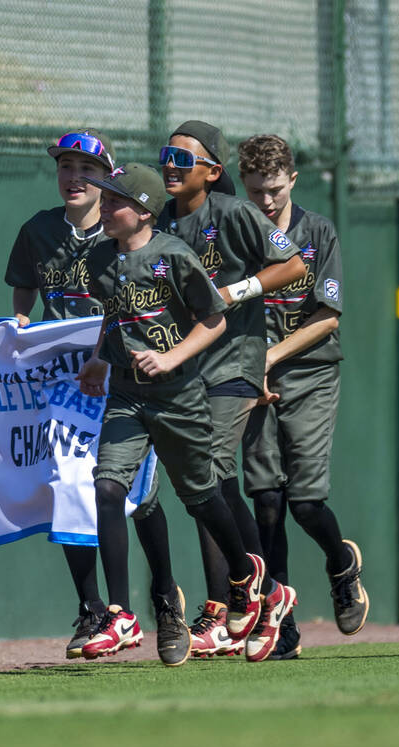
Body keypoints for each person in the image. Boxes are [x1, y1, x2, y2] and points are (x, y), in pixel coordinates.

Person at [76, 163, 271, 667]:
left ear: (142, 211)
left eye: (114, 200)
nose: (104, 207)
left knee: (201, 497)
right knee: (107, 486)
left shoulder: (173, 255)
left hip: (178, 397)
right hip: (125, 394)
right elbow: (113, 316)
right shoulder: (99, 258)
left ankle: (244, 574)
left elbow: (214, 319)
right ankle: (118, 611)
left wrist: (170, 357)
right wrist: (100, 356)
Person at [5, 129, 174, 661]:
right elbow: (24, 292)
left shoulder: (122, 232)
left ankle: (164, 597)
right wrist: (21, 320)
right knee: (70, 485)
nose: (74, 177)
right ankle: (93, 607)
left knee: (139, 497)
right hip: (65, 382)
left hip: (122, 373)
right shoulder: (37, 229)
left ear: (108, 176)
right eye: (65, 168)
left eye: (86, 169)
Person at [155, 121, 307, 661]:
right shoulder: (158, 222)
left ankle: (234, 598)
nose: (170, 164)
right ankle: (261, 597)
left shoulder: (236, 214)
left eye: (183, 157)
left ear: (212, 171)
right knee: (206, 481)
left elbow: (295, 265)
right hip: (185, 371)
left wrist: (233, 291)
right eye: (166, 154)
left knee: (212, 468)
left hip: (235, 364)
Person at [237, 134, 368, 658]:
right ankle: (281, 623)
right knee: (267, 502)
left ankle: (341, 564)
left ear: (291, 179)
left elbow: (328, 317)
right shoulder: (238, 233)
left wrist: (272, 355)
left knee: (307, 503)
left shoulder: (318, 232)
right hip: (252, 377)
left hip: (309, 374)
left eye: (273, 189)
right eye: (255, 191)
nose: (266, 202)